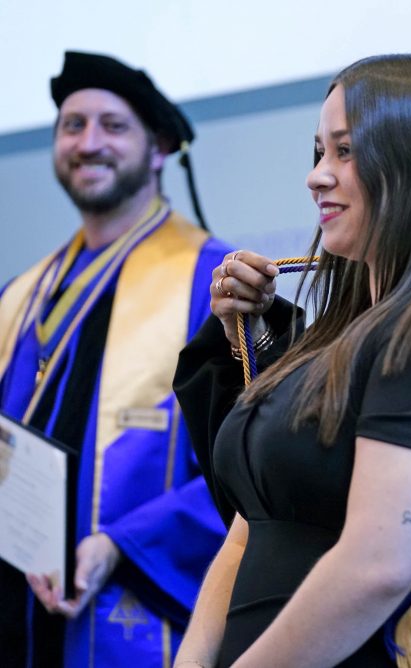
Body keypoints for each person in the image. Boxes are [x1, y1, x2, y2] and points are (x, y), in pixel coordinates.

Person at [171, 54, 411, 667]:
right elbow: (253, 527)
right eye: (320, 151)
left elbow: (380, 563)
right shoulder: (330, 338)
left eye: (345, 152)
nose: (317, 176)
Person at [0, 52, 229, 666]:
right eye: (72, 126)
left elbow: (251, 468)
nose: (88, 142)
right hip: (16, 614)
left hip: (137, 613)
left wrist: (125, 543)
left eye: (113, 126)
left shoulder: (215, 282)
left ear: (159, 150)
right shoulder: (20, 295)